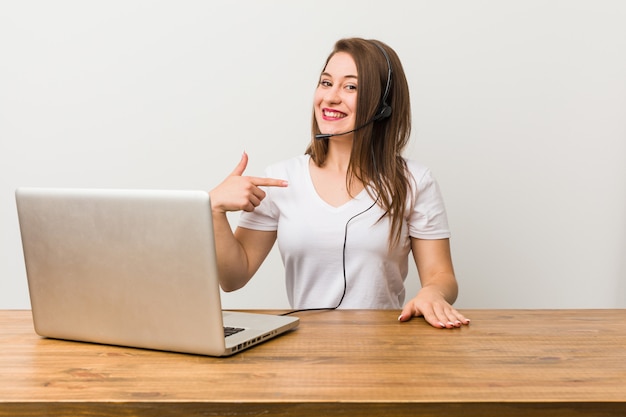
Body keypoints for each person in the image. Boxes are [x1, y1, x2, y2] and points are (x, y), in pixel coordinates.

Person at [210, 38, 470, 329]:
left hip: (387, 353)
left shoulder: (414, 182)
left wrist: (432, 293)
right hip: (305, 356)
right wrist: (213, 211)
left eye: (351, 87)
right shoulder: (281, 179)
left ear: (383, 106)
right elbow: (233, 278)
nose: (330, 97)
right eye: (325, 83)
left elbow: (441, 276)